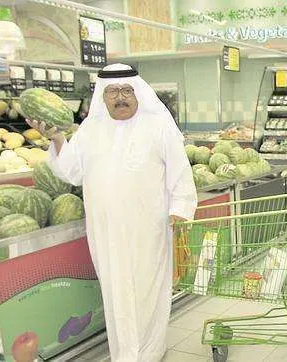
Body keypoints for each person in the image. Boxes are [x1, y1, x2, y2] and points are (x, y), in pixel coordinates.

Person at [25, 63, 198, 361]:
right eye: (113, 92)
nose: (121, 97)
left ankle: (150, 351)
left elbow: (181, 174)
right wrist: (56, 139)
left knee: (148, 290)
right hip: (105, 233)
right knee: (116, 293)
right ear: (102, 97)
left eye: (127, 90)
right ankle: (125, 354)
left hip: (149, 229)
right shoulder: (91, 129)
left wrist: (180, 211)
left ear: (138, 92)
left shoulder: (158, 126)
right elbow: (71, 172)